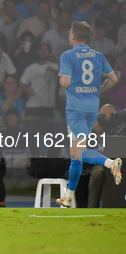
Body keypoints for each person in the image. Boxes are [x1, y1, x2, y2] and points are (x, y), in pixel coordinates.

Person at [56, 21, 122, 207]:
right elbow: (114, 78)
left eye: (70, 33)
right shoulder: (98, 55)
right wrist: (97, 90)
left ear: (74, 36)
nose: (69, 36)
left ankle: (111, 163)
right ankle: (68, 196)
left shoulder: (68, 55)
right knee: (76, 153)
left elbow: (64, 83)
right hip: (92, 107)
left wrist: (64, 78)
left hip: (76, 109)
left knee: (79, 151)